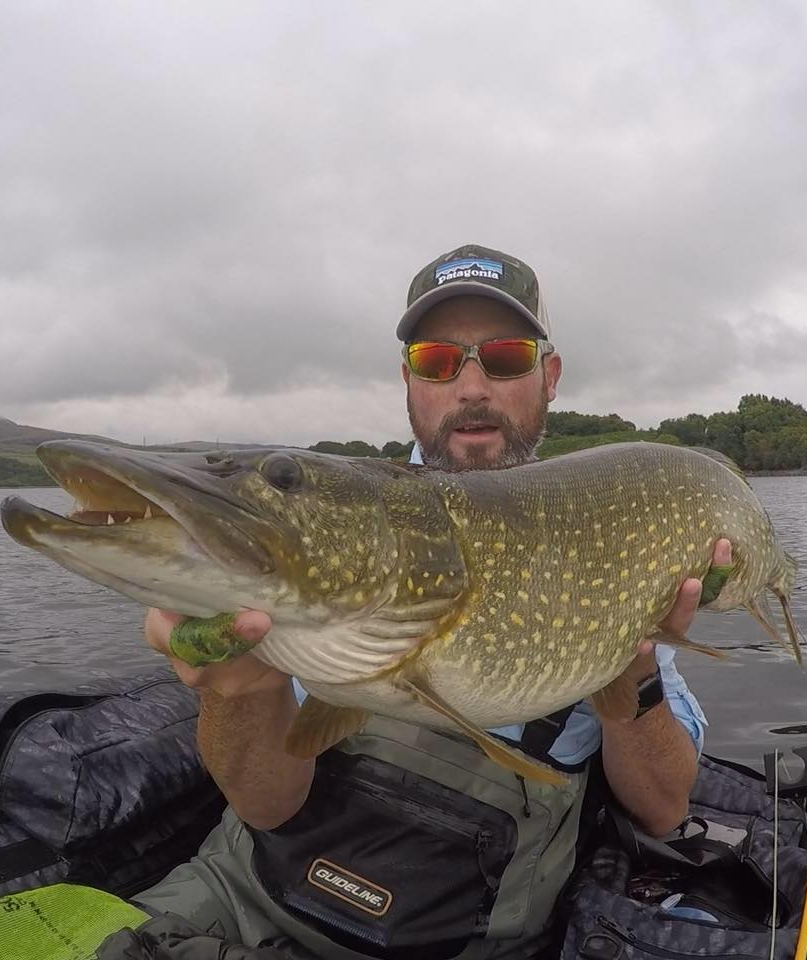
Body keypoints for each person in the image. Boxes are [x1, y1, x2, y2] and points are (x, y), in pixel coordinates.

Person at [132, 244, 728, 959]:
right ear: (410, 380)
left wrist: (634, 677)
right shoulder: (325, 532)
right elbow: (267, 804)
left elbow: (664, 807)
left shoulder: (606, 535)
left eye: (504, 357)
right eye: (438, 361)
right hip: (250, 899)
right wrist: (236, 690)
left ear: (549, 375)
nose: (470, 386)